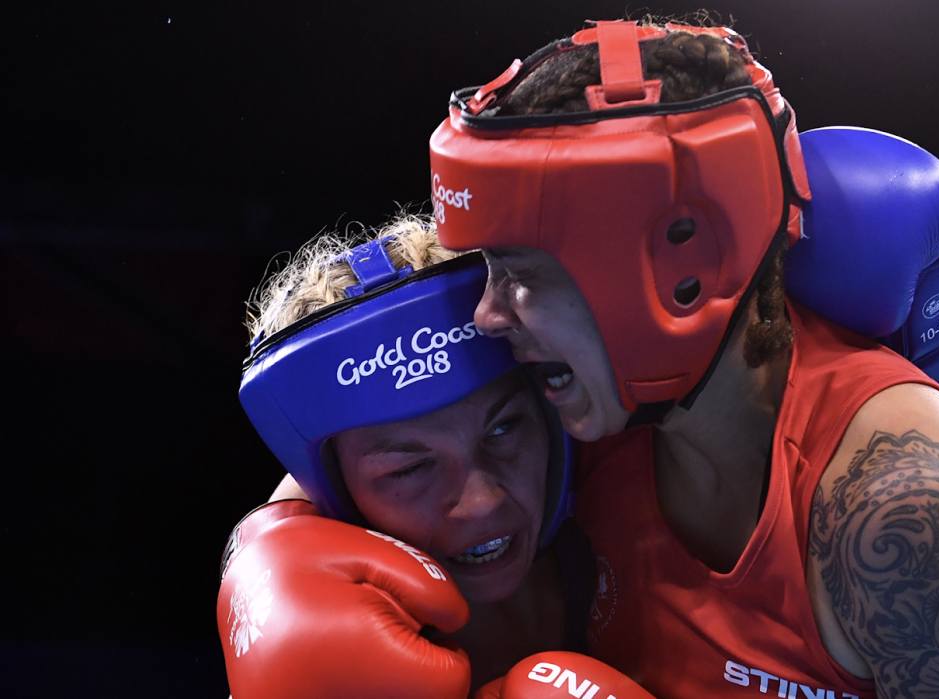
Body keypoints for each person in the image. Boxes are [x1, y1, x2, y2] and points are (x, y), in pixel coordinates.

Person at [430, 19, 939, 699]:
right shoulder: (584, 411)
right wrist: (313, 520)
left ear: (676, 265)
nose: (488, 313)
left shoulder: (905, 505)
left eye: (521, 274)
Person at [218, 215, 633, 697]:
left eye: (504, 429)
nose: (482, 501)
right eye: (410, 469)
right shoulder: (321, 658)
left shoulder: (644, 481)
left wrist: (259, 550)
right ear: (337, 488)